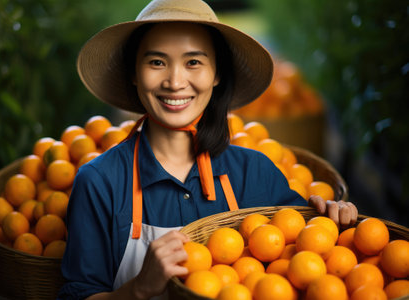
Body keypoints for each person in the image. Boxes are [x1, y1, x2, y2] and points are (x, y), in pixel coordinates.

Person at [59, 0, 358, 299]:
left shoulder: (255, 173)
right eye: (157, 62)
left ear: (216, 74)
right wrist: (138, 288)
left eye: (193, 62)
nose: (175, 82)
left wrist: (333, 223)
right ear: (135, 73)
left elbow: (308, 262)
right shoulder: (99, 182)